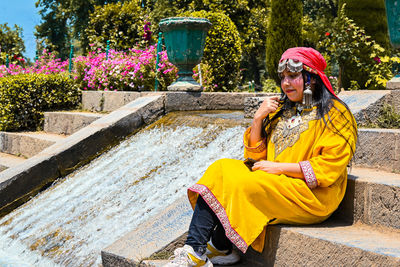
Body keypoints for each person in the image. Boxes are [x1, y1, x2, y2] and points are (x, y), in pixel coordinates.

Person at [165, 47, 357, 267]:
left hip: (312, 195)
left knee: (244, 184)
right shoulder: (281, 110)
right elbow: (255, 157)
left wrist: (279, 168)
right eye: (283, 77)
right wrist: (258, 119)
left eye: (293, 76)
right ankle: (201, 248)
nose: (286, 83)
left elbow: (328, 169)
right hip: (276, 182)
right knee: (221, 169)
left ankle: (210, 249)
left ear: (312, 78)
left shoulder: (336, 114)